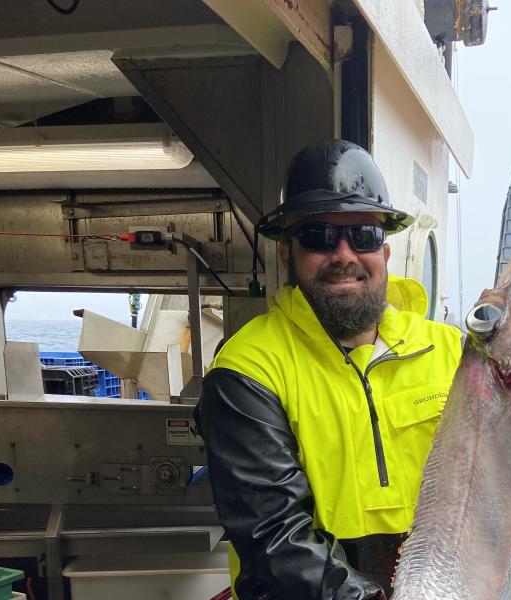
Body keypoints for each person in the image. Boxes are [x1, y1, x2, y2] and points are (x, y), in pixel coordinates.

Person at [194, 140, 464, 600]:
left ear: (386, 250)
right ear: (287, 254)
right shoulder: (248, 369)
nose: (344, 254)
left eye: (363, 234)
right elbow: (274, 537)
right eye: (319, 237)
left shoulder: (452, 351)